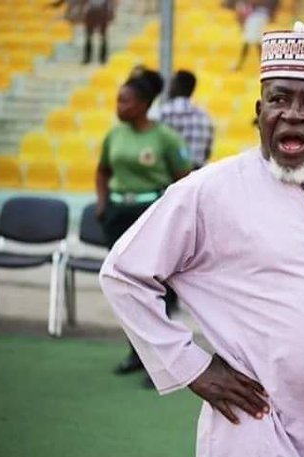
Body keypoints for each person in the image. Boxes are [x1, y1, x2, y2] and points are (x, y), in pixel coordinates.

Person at [100, 23, 304, 457]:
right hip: (261, 420)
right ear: (259, 111)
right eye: (278, 99)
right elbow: (122, 274)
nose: (293, 114)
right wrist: (192, 367)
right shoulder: (208, 191)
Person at [95, 70, 193, 379]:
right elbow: (102, 170)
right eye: (118, 100)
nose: (119, 106)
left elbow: (184, 181)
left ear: (144, 104)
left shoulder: (165, 138)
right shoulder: (114, 135)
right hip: (118, 215)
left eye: (125, 101)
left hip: (150, 214)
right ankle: (136, 353)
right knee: (126, 288)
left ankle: (165, 362)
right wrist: (102, 204)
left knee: (156, 289)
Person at [160, 70, 215, 170]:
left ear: (176, 86)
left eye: (171, 84)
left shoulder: (164, 112)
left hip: (172, 173)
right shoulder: (205, 116)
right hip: (198, 173)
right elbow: (207, 153)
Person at [233, 0, 270, 71]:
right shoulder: (243, 6)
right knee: (250, 44)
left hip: (257, 20)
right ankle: (240, 65)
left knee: (256, 44)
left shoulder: (262, 10)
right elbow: (240, 16)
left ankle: (264, 65)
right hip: (252, 21)